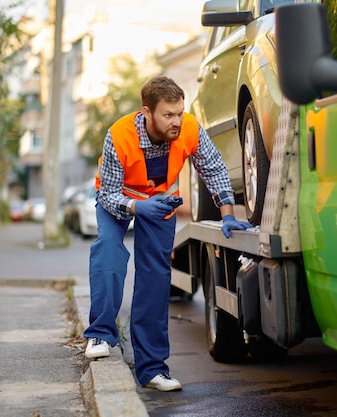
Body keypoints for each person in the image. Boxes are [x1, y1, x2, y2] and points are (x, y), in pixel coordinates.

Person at [82, 76, 252, 391]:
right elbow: (107, 195)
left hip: (161, 205)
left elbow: (213, 167)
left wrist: (228, 213)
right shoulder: (118, 135)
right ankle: (100, 334)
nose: (176, 121)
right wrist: (136, 207)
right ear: (147, 112)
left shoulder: (188, 128)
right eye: (168, 115)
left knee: (155, 279)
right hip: (118, 201)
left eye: (179, 112)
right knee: (109, 251)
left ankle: (152, 370)